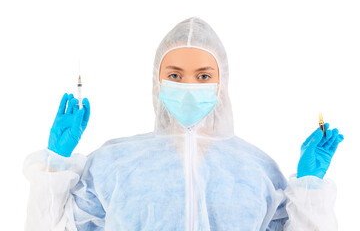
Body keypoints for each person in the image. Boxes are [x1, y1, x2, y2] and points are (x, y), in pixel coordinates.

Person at [23, 16, 344, 231]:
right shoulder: (113, 163)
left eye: (203, 76)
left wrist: (309, 187)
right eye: (175, 75)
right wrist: (54, 165)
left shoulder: (257, 170)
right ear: (157, 82)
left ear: (222, 84)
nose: (189, 86)